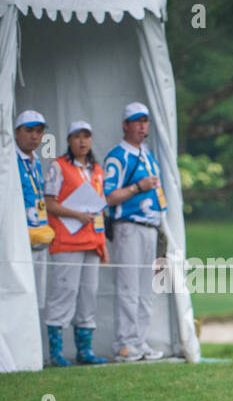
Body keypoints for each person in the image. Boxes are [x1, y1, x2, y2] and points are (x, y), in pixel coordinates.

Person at [102, 102, 167, 362]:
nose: (142, 125)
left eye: (145, 121)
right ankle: (125, 343)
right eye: (136, 121)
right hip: (128, 226)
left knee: (144, 288)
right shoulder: (118, 156)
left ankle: (140, 340)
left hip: (150, 226)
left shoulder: (148, 154)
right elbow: (108, 197)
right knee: (128, 286)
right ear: (125, 125)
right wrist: (137, 188)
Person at [43, 120, 109, 366]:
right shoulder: (58, 167)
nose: (82, 141)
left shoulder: (97, 170)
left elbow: (99, 209)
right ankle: (56, 351)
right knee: (64, 291)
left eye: (86, 136)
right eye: (77, 137)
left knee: (88, 294)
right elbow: (49, 203)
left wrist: (102, 244)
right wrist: (76, 215)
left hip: (91, 241)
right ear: (69, 140)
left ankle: (85, 350)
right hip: (67, 240)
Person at [16, 110, 53, 349]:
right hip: (19, 238)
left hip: (39, 236)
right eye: (29, 130)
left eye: (39, 131)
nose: (35, 137)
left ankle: (33, 348)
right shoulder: (10, 161)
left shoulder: (36, 162)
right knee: (19, 294)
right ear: (17, 131)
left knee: (38, 297)